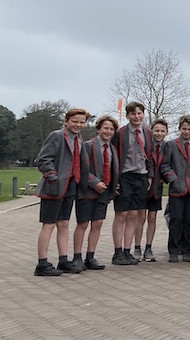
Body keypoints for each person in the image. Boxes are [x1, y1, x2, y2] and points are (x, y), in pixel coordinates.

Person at [34, 107, 90, 276]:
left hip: (71, 186)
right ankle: (42, 263)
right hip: (54, 186)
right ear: (66, 121)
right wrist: (53, 177)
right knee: (49, 224)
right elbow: (43, 159)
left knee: (64, 224)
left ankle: (63, 260)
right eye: (75, 121)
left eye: (81, 122)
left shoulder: (79, 139)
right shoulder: (57, 135)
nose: (78, 125)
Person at [72, 115, 120, 272]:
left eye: (111, 129)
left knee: (97, 223)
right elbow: (80, 167)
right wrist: (94, 182)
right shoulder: (87, 146)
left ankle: (90, 256)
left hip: (104, 192)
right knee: (83, 223)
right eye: (105, 128)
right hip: (88, 190)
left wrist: (112, 186)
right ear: (98, 129)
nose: (108, 131)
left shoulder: (112, 149)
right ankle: (77, 257)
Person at [160, 115, 190, 262]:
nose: (186, 132)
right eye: (184, 129)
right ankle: (173, 250)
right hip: (177, 188)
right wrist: (173, 178)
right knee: (176, 219)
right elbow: (165, 165)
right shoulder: (171, 144)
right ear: (179, 128)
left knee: (189, 220)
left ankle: (188, 249)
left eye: (189, 129)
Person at [111, 101, 153, 267]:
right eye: (133, 114)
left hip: (141, 176)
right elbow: (114, 156)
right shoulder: (120, 134)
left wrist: (149, 176)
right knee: (121, 214)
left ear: (143, 114)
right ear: (128, 116)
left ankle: (128, 251)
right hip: (125, 176)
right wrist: (115, 181)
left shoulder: (147, 133)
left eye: (139, 113)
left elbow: (150, 156)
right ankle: (117, 251)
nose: (136, 116)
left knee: (134, 215)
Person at [136, 118, 168, 262]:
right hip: (143, 186)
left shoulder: (167, 147)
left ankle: (148, 247)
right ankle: (137, 247)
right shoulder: (146, 145)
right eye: (156, 130)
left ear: (166, 132)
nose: (159, 133)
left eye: (162, 131)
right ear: (151, 131)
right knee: (140, 217)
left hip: (157, 188)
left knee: (152, 218)